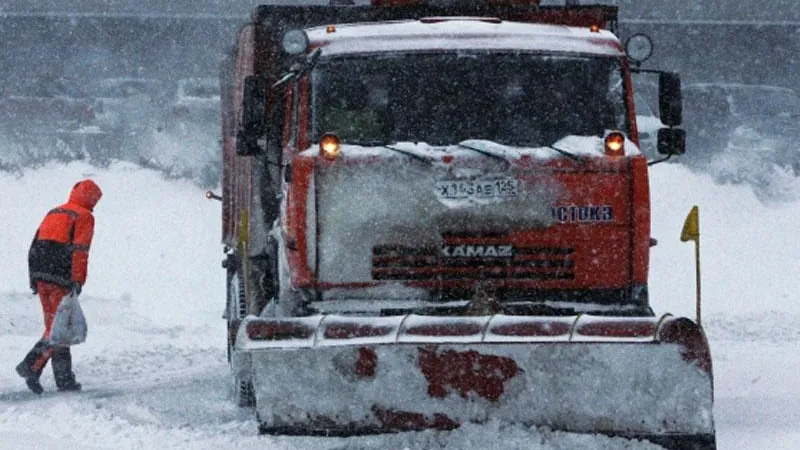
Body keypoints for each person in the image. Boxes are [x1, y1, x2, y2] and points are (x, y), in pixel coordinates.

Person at [15, 179, 103, 394]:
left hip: (41, 275)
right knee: (59, 330)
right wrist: (77, 280)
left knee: (55, 327)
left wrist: (33, 278)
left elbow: (34, 245)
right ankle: (31, 367)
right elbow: (80, 251)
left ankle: (63, 380)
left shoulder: (54, 212)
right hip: (60, 278)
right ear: (91, 198)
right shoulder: (84, 217)